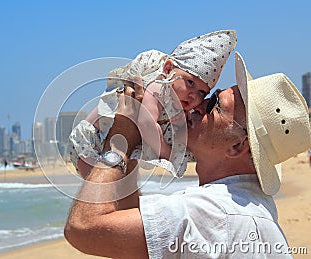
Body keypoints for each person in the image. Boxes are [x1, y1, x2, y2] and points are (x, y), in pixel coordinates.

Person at [64, 52, 311, 258]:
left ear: (237, 147)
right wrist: (134, 141)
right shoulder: (250, 205)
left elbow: (83, 228)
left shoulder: (209, 212)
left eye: (214, 104)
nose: (198, 104)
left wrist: (118, 144)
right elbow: (129, 240)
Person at [68, 30, 237, 179]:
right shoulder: (158, 88)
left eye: (202, 92)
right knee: (100, 189)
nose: (193, 94)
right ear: (168, 69)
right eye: (190, 83)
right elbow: (144, 121)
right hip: (90, 140)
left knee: (111, 190)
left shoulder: (175, 103)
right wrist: (165, 150)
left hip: (109, 142)